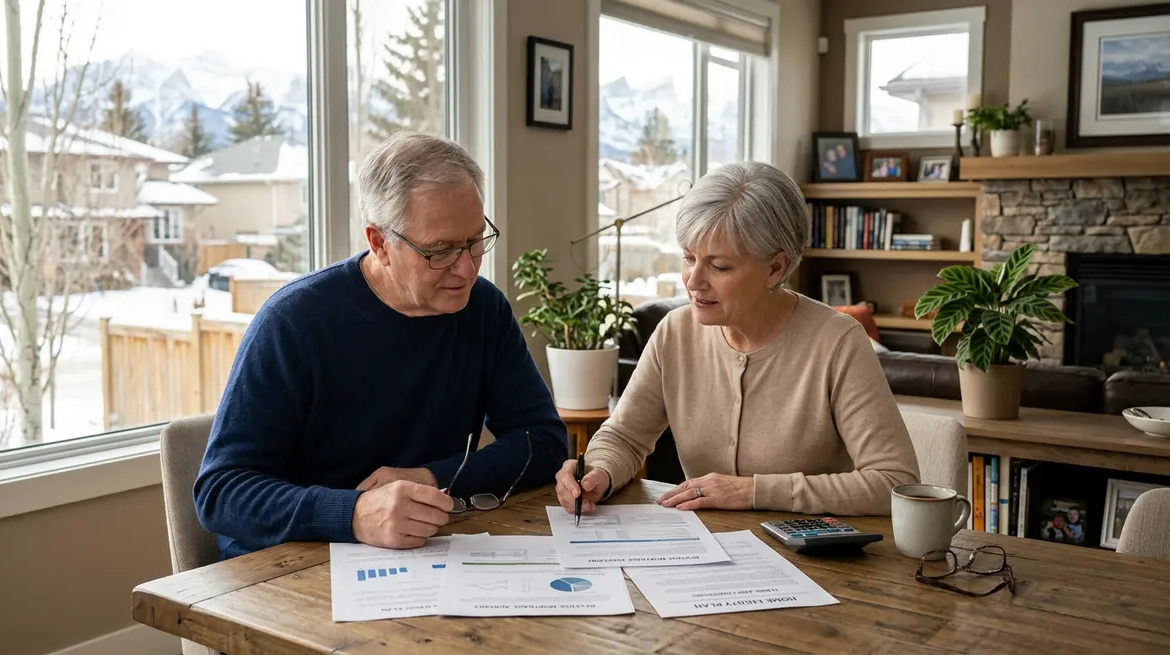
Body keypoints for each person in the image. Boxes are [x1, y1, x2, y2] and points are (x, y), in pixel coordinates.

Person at [195, 132, 568, 560]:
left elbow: (543, 441)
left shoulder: (483, 310)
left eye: (475, 241)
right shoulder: (293, 322)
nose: (467, 268)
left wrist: (432, 477)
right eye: (441, 250)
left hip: (425, 554)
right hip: (293, 564)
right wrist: (353, 514)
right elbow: (221, 492)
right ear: (379, 243)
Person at [555, 160, 920, 517]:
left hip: (812, 550)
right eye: (688, 258)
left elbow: (894, 481)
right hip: (703, 545)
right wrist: (598, 472)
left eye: (719, 266)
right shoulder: (675, 332)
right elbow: (624, 437)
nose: (693, 281)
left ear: (775, 267)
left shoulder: (838, 342)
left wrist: (753, 491)